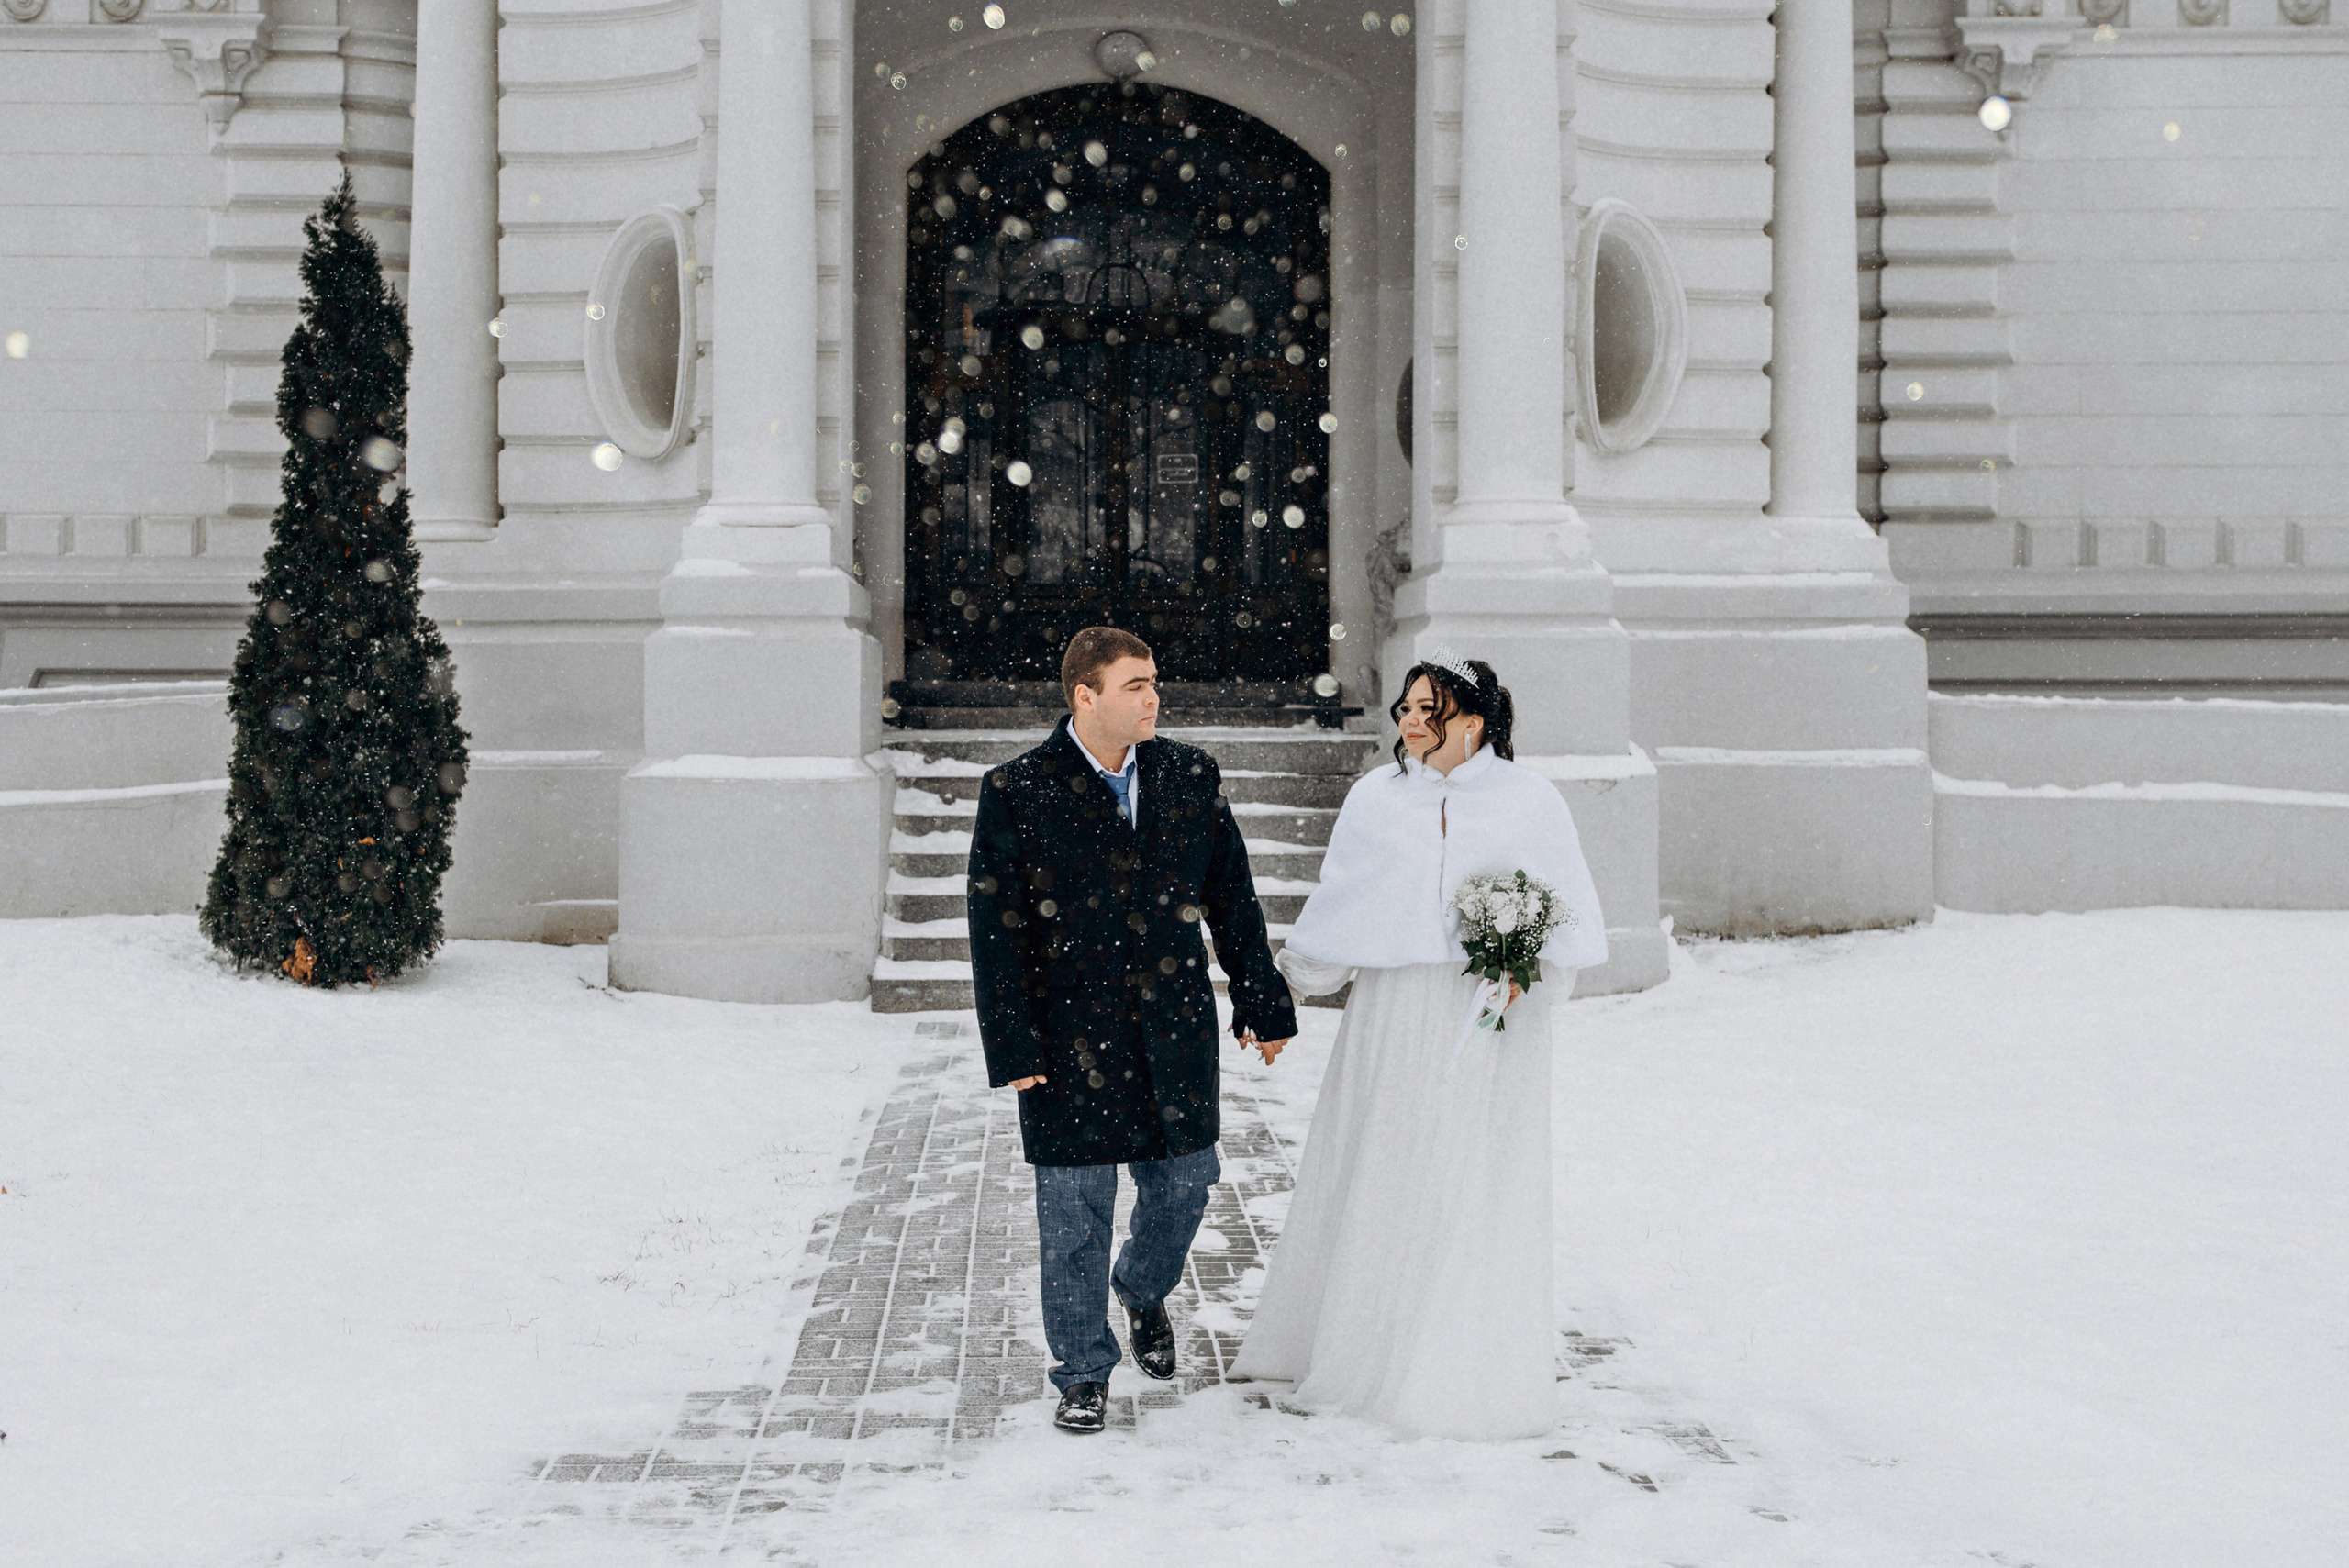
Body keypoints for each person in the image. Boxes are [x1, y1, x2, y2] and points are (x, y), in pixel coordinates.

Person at [1230, 651, 1609, 1440]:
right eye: (1403, 706)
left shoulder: (1529, 800)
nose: (1405, 720)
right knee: (1386, 1162)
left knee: (1473, 1174)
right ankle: (1359, 1338)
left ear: (1472, 720)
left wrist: (1523, 967)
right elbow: (1345, 899)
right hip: (1395, 1009)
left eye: (1425, 707)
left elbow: (1567, 914)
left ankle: (1456, 1354)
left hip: (1490, 1021)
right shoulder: (1376, 798)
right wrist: (1284, 991)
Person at [967, 626, 1297, 1435]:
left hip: (1173, 1026)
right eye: (1135, 685)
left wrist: (1262, 998)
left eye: (1155, 683)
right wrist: (1012, 1043)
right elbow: (995, 929)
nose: (1154, 697)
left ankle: (1143, 1289)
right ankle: (1082, 1369)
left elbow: (1232, 896)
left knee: (1186, 1183)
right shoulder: (1018, 789)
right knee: (1073, 1211)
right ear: (1085, 695)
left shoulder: (1189, 774)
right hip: (1067, 1035)